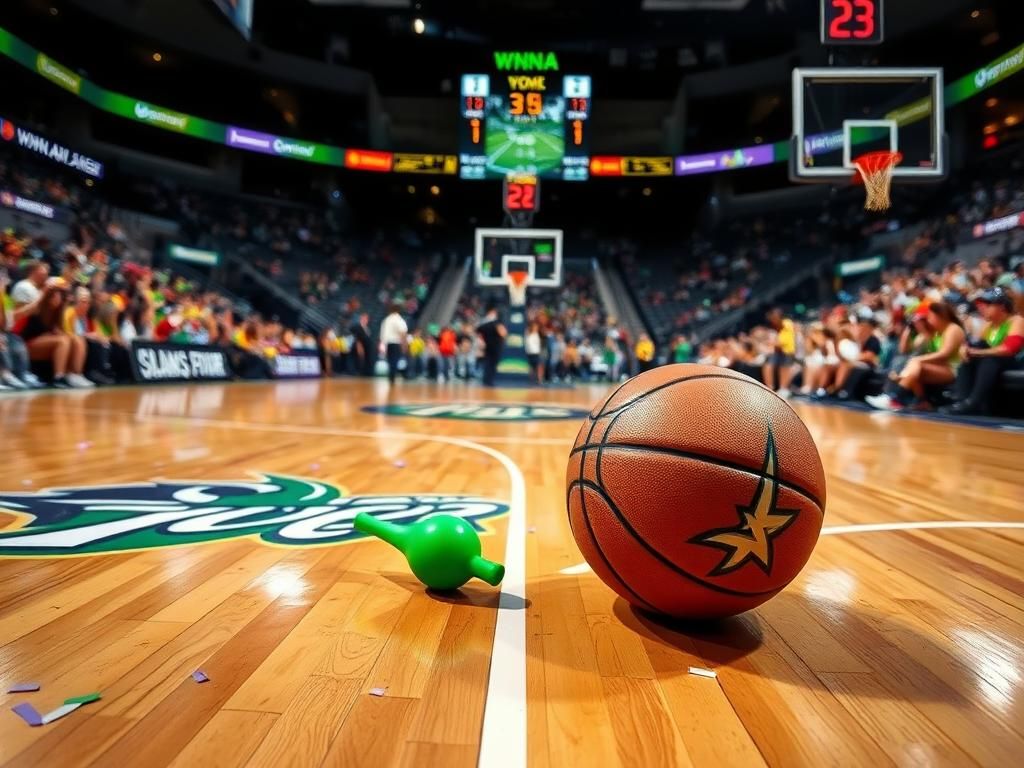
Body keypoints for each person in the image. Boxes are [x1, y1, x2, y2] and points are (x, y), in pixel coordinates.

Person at [866, 302, 965, 411]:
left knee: (916, 362)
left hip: (953, 370)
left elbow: (944, 354)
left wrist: (918, 359)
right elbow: (904, 350)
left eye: (931, 317)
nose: (929, 320)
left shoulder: (953, 329)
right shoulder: (938, 332)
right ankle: (921, 401)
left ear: (939, 315)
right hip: (941, 368)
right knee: (915, 365)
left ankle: (894, 398)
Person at [941, 288, 1024, 415]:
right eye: (980, 305)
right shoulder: (988, 326)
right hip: (993, 363)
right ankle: (961, 400)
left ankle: (973, 403)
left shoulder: (1016, 320)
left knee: (990, 357)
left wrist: (978, 352)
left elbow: (1010, 349)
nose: (981, 308)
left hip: (1014, 362)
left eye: (987, 305)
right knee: (972, 355)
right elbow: (976, 346)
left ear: (1001, 306)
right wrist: (965, 350)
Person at [18, 277, 94, 388]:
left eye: (61, 294)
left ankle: (75, 374)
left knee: (75, 338)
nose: (60, 297)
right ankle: (59, 377)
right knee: (62, 340)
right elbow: (32, 332)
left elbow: (58, 330)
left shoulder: (58, 311)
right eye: (57, 293)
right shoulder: (37, 307)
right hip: (29, 344)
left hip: (46, 342)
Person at [831, 316, 882, 400]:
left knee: (846, 365)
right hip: (858, 363)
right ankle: (833, 389)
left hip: (869, 365)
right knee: (841, 365)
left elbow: (869, 356)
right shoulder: (856, 340)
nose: (859, 328)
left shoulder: (873, 340)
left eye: (862, 327)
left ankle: (840, 390)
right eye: (859, 326)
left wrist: (853, 357)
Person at [762, 308, 796, 398]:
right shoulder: (773, 327)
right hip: (777, 351)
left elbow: (785, 341)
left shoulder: (787, 323)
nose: (773, 320)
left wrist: (773, 343)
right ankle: (769, 387)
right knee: (768, 366)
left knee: (784, 369)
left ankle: (783, 388)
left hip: (787, 350)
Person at [476, 302, 507, 387]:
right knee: (492, 365)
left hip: (488, 346)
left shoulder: (483, 323)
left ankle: (486, 381)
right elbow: (503, 333)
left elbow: (478, 332)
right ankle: (489, 381)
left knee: (487, 364)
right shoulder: (496, 323)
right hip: (495, 347)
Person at [379, 304, 408, 385]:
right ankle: (393, 377)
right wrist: (404, 345)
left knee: (390, 360)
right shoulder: (399, 320)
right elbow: (403, 333)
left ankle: (391, 376)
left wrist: (382, 344)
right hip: (396, 343)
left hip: (388, 343)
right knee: (395, 361)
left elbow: (383, 334)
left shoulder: (386, 320)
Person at [350, 312, 373, 376]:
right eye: (364, 318)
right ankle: (358, 372)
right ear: (361, 318)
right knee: (359, 360)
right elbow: (357, 338)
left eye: (367, 318)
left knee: (365, 361)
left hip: (367, 348)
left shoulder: (367, 328)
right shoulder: (357, 327)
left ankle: (365, 372)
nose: (365, 319)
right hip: (360, 347)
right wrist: (359, 347)